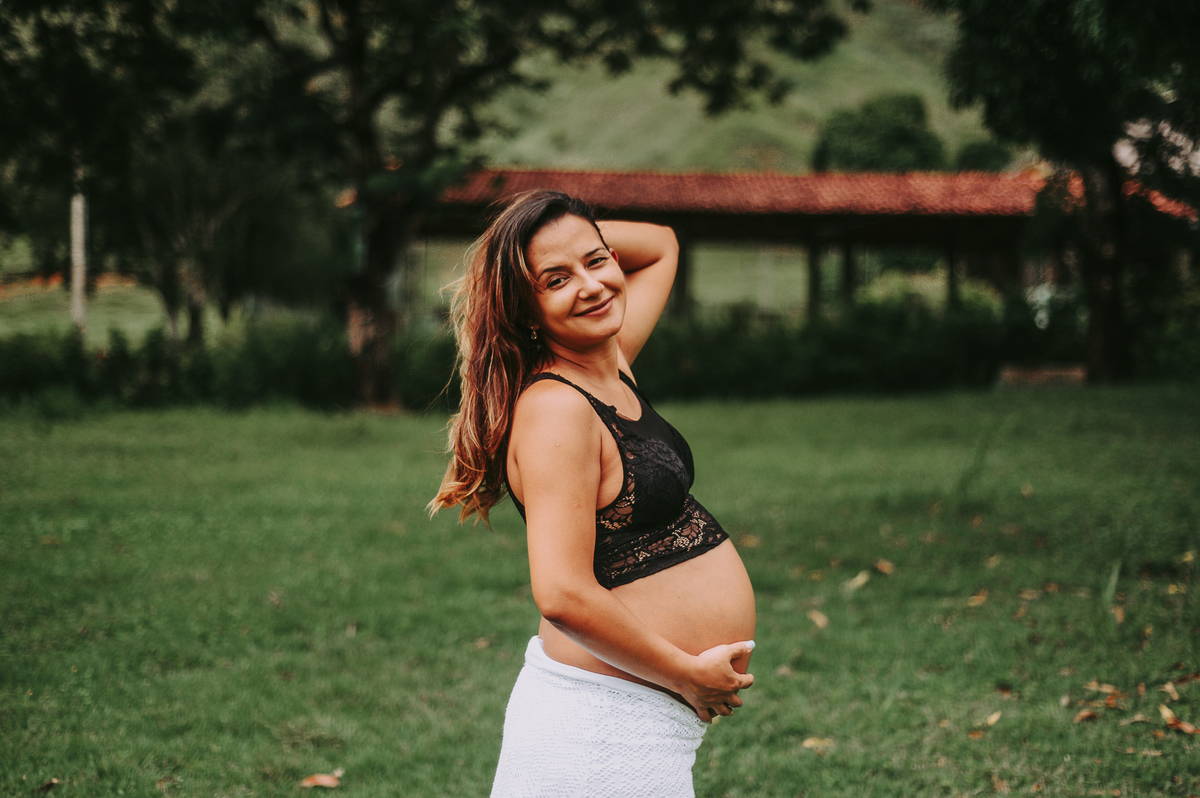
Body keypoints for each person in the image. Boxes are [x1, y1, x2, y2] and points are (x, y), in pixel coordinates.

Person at [430, 189, 756, 798]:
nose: (591, 286)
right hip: (599, 730)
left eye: (597, 260)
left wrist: (561, 238)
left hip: (631, 724)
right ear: (526, 309)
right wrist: (685, 674)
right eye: (556, 280)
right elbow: (561, 593)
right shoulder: (557, 409)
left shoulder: (610, 366)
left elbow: (660, 245)